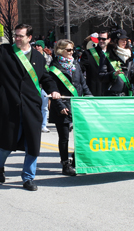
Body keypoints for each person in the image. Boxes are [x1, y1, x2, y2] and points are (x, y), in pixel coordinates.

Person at [0, 24, 61, 191]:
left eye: (20, 36)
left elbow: (45, 77)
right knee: (8, 143)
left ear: (29, 38)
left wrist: (53, 89)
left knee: (33, 143)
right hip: (10, 106)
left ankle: (28, 178)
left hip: (31, 106)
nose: (16, 38)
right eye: (15, 35)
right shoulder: (4, 51)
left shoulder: (38, 57)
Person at [48, 39, 92, 176]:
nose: (72, 52)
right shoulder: (54, 68)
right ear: (60, 50)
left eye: (73, 49)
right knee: (64, 137)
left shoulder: (75, 64)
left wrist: (90, 96)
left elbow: (82, 84)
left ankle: (76, 160)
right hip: (62, 106)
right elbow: (53, 89)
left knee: (81, 135)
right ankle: (65, 164)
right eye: (68, 50)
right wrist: (60, 105)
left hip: (77, 104)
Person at [99, 29, 134, 96]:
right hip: (112, 95)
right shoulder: (106, 56)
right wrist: (113, 74)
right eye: (122, 40)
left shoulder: (129, 55)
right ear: (115, 41)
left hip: (127, 94)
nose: (124, 42)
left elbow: (131, 75)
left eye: (125, 40)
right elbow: (101, 76)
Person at [80, 30, 110, 96]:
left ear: (109, 40)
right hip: (94, 92)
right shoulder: (88, 54)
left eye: (103, 39)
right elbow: (80, 71)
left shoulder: (113, 54)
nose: (101, 41)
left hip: (110, 92)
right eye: (99, 39)